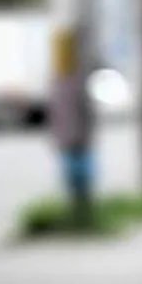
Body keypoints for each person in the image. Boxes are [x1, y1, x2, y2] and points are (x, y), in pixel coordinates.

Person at [49, 25, 97, 218]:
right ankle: (80, 212)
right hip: (75, 138)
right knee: (78, 176)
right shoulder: (70, 79)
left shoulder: (63, 79)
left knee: (76, 175)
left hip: (71, 137)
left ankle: (80, 212)